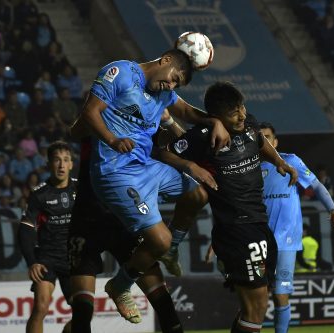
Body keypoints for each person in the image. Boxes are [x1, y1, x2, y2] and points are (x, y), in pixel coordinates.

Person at [69, 48, 230, 321]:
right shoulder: (120, 72)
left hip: (147, 168)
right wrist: (112, 140)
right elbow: (89, 113)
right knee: (159, 239)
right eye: (173, 78)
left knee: (198, 194)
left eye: (177, 84)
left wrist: (215, 121)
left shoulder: (164, 94)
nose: (172, 85)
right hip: (116, 171)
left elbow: (188, 112)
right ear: (165, 60)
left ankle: (172, 249)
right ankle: (120, 285)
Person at [161, 82, 297, 333]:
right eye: (234, 112)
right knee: (256, 309)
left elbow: (258, 139)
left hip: (258, 224)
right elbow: (162, 152)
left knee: (254, 308)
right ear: (216, 117)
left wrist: (279, 161)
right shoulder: (204, 136)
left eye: (242, 108)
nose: (242, 115)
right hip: (237, 228)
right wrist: (191, 166)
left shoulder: (250, 124)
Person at [67, 127, 190, 332]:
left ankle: (121, 285)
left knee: (163, 304)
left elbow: (171, 142)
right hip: (87, 223)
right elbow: (78, 127)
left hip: (126, 222)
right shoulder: (99, 123)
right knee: (82, 311)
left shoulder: (141, 127)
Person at [259, 122, 334, 333]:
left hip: (286, 239)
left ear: (275, 141)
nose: (265, 141)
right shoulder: (250, 168)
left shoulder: (290, 160)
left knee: (280, 295)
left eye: (268, 137)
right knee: (256, 295)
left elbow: (315, 185)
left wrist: (332, 209)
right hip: (259, 239)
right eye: (261, 138)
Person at [17, 141, 76, 333]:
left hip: (74, 258)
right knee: (41, 307)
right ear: (49, 164)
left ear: (71, 165)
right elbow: (25, 229)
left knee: (83, 313)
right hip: (46, 258)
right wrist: (32, 262)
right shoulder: (39, 194)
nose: (61, 165)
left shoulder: (81, 190)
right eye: (57, 160)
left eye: (65, 160)